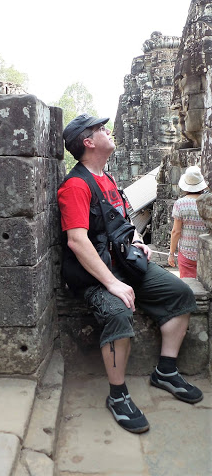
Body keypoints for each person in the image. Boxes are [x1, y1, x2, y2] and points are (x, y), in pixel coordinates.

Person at [57, 113, 203, 435]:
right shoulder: (75, 186)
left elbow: (122, 221)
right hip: (96, 273)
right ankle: (118, 394)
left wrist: (137, 241)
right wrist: (112, 283)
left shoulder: (106, 179)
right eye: (100, 129)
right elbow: (77, 241)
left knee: (181, 294)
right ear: (88, 141)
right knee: (118, 311)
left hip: (126, 263)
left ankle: (165, 370)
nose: (108, 131)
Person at [168, 166, 209, 278]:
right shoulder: (208, 201)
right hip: (206, 252)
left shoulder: (180, 203)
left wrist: (171, 254)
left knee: (189, 286)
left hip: (187, 253)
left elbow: (176, 231)